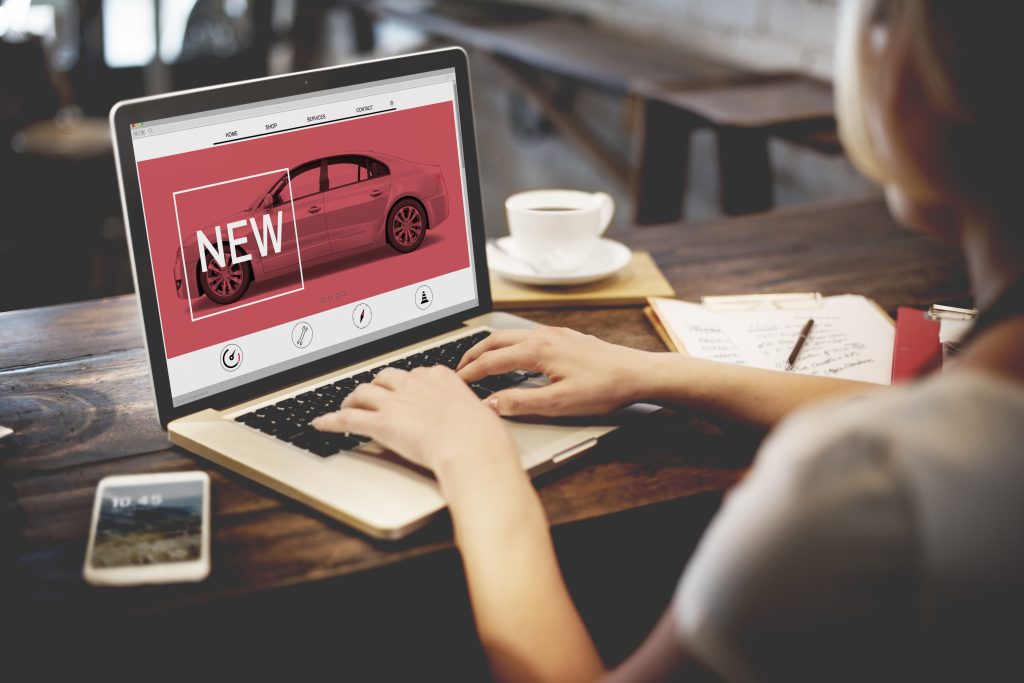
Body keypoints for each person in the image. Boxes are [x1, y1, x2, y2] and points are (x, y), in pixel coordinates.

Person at [314, 1, 1024, 680]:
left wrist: (472, 458)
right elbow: (909, 406)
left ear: (951, 81)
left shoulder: (860, 485)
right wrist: (657, 372)